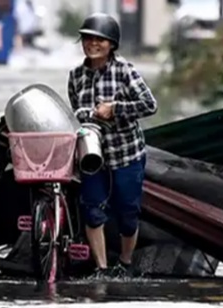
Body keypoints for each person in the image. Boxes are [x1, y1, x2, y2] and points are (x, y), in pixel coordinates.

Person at [66, 12, 158, 279]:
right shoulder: (75, 76)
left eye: (100, 40)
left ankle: (126, 263)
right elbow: (75, 112)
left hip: (126, 154)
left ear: (112, 45)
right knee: (92, 210)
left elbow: (149, 104)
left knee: (127, 212)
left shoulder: (124, 71)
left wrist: (115, 109)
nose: (92, 44)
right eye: (87, 39)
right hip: (91, 157)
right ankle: (102, 268)